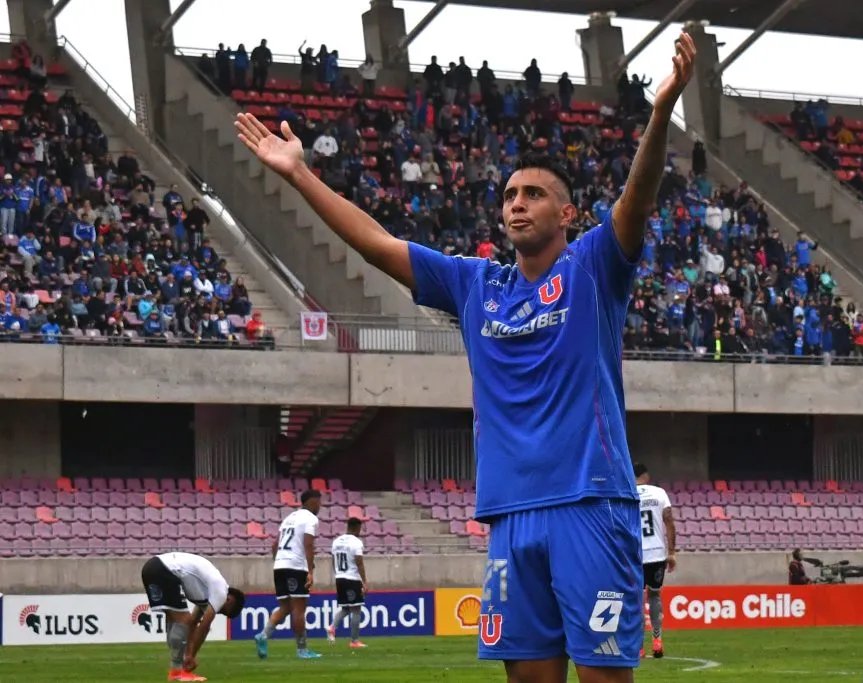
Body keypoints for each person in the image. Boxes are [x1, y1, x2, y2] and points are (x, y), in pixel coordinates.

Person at [234, 31, 697, 683]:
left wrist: (659, 114)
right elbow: (376, 244)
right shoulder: (477, 283)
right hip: (509, 513)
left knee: (602, 677)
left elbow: (637, 200)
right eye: (509, 195)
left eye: (532, 194)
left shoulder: (593, 265)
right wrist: (301, 173)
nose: (516, 203)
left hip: (590, 502)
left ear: (567, 212)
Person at [140, 551, 246, 682]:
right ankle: (177, 671)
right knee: (182, 620)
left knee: (176, 620)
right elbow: (204, 626)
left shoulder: (208, 591)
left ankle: (177, 669)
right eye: (224, 611)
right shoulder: (221, 592)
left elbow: (194, 623)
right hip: (164, 570)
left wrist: (190, 653)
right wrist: (190, 655)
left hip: (153, 567)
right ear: (229, 599)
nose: (219, 611)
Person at [254, 489, 322, 660]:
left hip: (280, 565)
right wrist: (311, 571)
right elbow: (308, 544)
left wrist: (279, 563)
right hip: (296, 567)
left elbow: (274, 545)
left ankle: (263, 635)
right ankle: (302, 650)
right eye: (319, 502)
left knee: (286, 607)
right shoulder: (310, 518)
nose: (320, 506)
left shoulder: (289, 518)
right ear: (312, 501)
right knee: (299, 609)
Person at [634, 462, 675, 659]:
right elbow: (669, 521)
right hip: (657, 553)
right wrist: (672, 552)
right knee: (655, 596)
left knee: (637, 600)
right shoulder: (659, 493)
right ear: (646, 475)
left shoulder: (628, 493)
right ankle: (657, 641)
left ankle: (639, 647)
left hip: (636, 555)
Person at [326, 516, 369, 648]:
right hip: (352, 578)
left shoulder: (336, 541)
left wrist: (338, 574)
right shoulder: (356, 542)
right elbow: (359, 562)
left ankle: (332, 627)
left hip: (340, 577)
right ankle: (354, 641)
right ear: (357, 528)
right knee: (356, 609)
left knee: (345, 608)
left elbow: (333, 560)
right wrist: (364, 582)